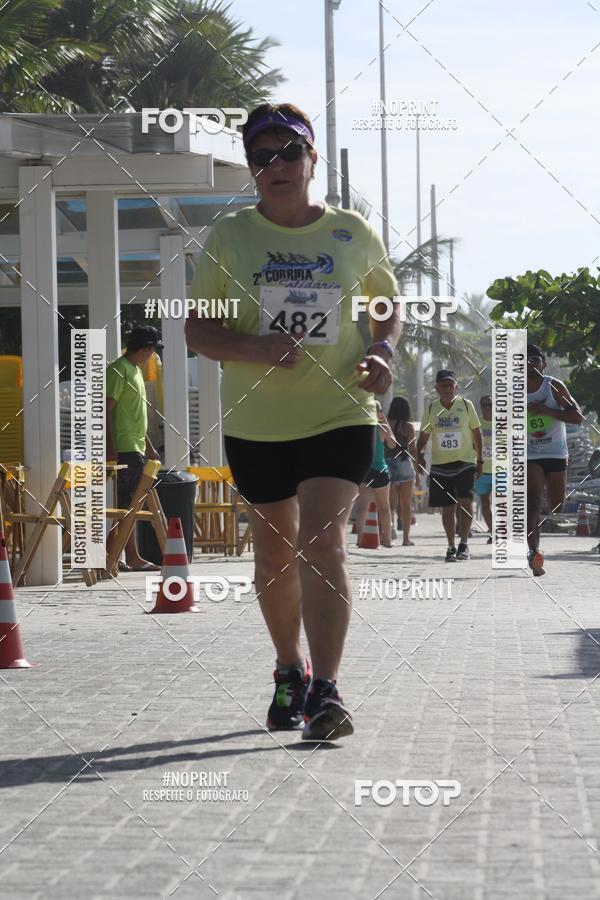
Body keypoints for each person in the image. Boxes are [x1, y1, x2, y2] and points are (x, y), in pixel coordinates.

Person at [185, 102, 401, 740]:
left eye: (287, 152)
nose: (274, 165)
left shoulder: (351, 232)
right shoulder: (231, 237)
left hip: (341, 411)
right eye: (261, 156)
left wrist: (383, 348)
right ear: (251, 168)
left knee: (322, 540)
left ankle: (328, 691)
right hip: (259, 421)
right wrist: (254, 348)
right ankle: (290, 669)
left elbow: (385, 306)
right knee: (273, 557)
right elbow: (199, 328)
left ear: (311, 160)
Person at [106, 326, 162, 572]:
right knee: (129, 504)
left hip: (135, 446)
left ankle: (119, 554)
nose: (153, 355)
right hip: (124, 447)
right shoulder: (118, 370)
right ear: (146, 348)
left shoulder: (135, 371)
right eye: (152, 350)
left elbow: (135, 416)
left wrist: (149, 446)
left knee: (128, 504)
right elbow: (105, 410)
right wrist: (111, 448)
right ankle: (126, 555)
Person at [526, 344, 583, 576]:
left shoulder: (553, 387)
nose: (529, 364)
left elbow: (577, 417)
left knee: (556, 505)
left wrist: (546, 411)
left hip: (556, 453)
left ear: (543, 364)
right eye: (524, 361)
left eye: (534, 360)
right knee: (533, 501)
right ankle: (534, 553)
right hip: (530, 453)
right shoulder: (511, 390)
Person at [416, 370, 483, 562]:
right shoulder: (431, 409)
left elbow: (476, 433)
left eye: (450, 385)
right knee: (447, 508)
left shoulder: (465, 405)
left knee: (465, 502)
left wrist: (480, 460)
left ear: (456, 387)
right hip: (440, 465)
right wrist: (419, 456)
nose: (447, 388)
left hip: (465, 462)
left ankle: (464, 543)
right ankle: (451, 546)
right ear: (437, 388)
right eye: (443, 385)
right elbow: (423, 436)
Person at [355, 401, 395, 546]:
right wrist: (386, 423)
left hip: (365, 470)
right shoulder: (382, 428)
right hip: (380, 469)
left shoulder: (359, 428)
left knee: (362, 507)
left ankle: (360, 539)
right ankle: (387, 539)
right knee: (384, 507)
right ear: (378, 412)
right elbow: (393, 444)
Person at [386, 396, 419, 546]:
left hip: (389, 463)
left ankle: (390, 531)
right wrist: (417, 472)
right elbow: (412, 449)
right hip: (405, 463)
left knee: (390, 504)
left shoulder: (387, 424)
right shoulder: (408, 426)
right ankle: (406, 538)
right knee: (406, 504)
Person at [476, 395, 493, 543]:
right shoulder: (477, 423)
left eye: (490, 405)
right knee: (485, 504)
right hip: (482, 471)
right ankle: (494, 532)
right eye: (484, 405)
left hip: (500, 471)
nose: (487, 408)